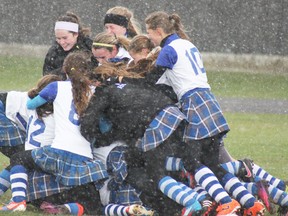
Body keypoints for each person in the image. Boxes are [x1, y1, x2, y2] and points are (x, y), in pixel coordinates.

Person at [145, 11, 265, 216]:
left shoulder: (168, 49)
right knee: (211, 162)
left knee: (192, 162)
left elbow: (151, 80)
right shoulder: (187, 44)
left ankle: (228, 202)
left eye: (149, 34)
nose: (149, 38)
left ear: (158, 31)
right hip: (208, 99)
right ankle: (250, 203)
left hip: (193, 102)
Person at [80, 62, 237, 215]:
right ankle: (228, 194)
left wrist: (98, 139)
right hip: (174, 115)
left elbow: (88, 124)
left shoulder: (104, 91)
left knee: (156, 174)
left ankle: (195, 203)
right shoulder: (129, 83)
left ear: (97, 82)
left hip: (157, 123)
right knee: (187, 163)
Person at [0, 52, 108, 212]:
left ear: (65, 71)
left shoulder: (56, 88)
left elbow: (31, 104)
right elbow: (103, 127)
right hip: (85, 158)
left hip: (56, 154)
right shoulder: (94, 92)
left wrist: (46, 97)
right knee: (90, 200)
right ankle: (71, 207)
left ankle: (18, 201)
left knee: (18, 160)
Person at [43, 11, 98, 80]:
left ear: (75, 34)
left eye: (65, 38)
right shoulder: (54, 51)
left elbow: (97, 72)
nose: (62, 42)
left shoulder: (89, 47)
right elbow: (46, 77)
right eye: (58, 38)